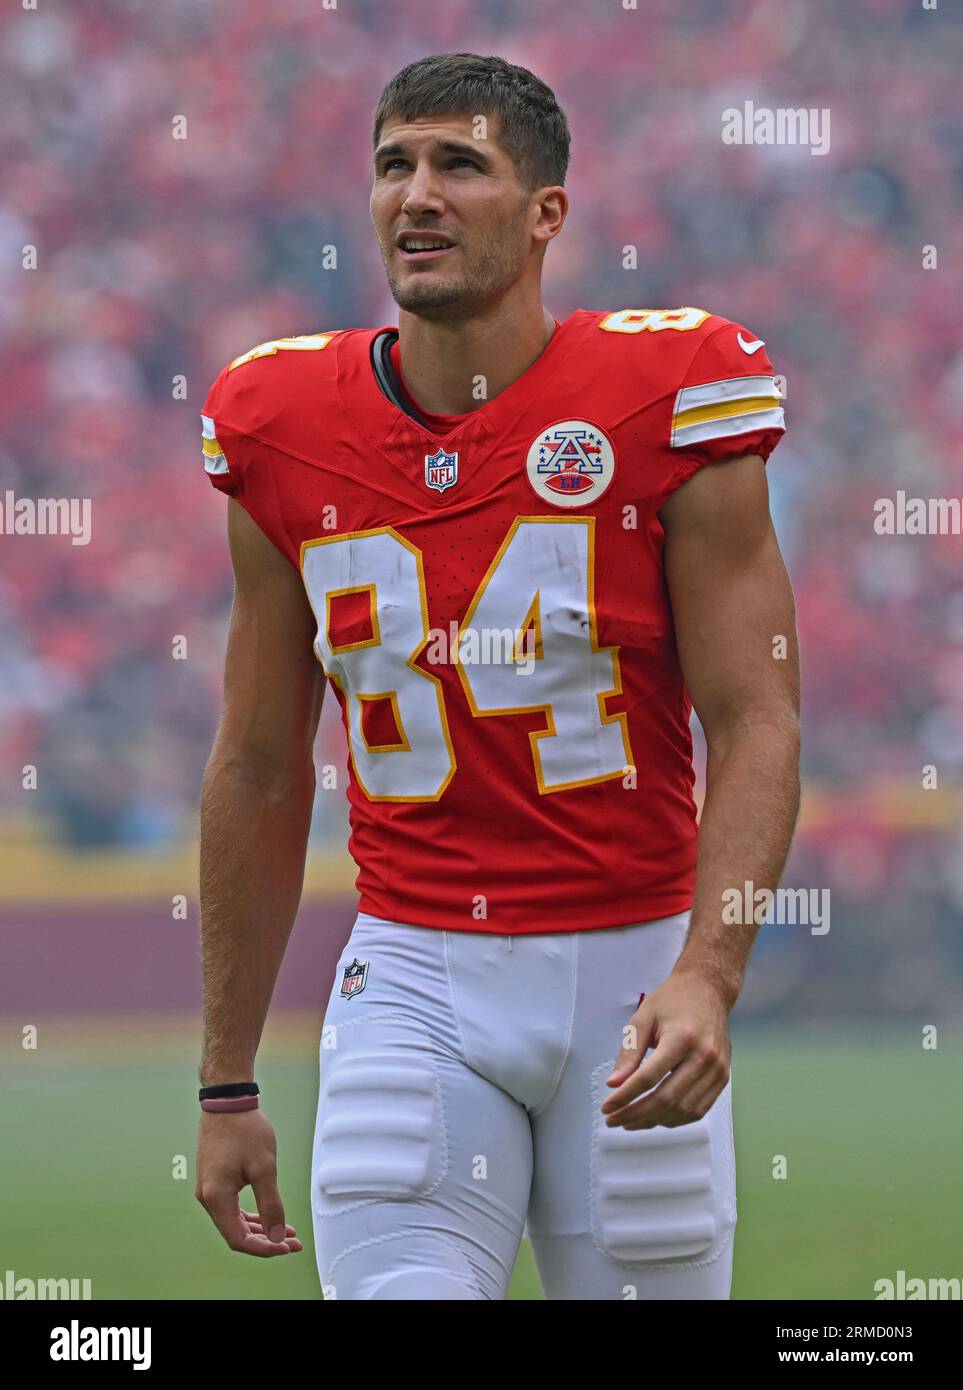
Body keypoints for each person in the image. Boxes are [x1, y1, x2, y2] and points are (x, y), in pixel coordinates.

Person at [194, 52, 800, 1300]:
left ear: (545, 214)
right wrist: (226, 1077)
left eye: (459, 163)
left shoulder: (670, 391)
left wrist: (710, 970)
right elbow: (258, 767)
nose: (416, 194)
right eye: (393, 165)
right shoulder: (278, 421)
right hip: (411, 972)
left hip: (634, 981)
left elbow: (758, 716)